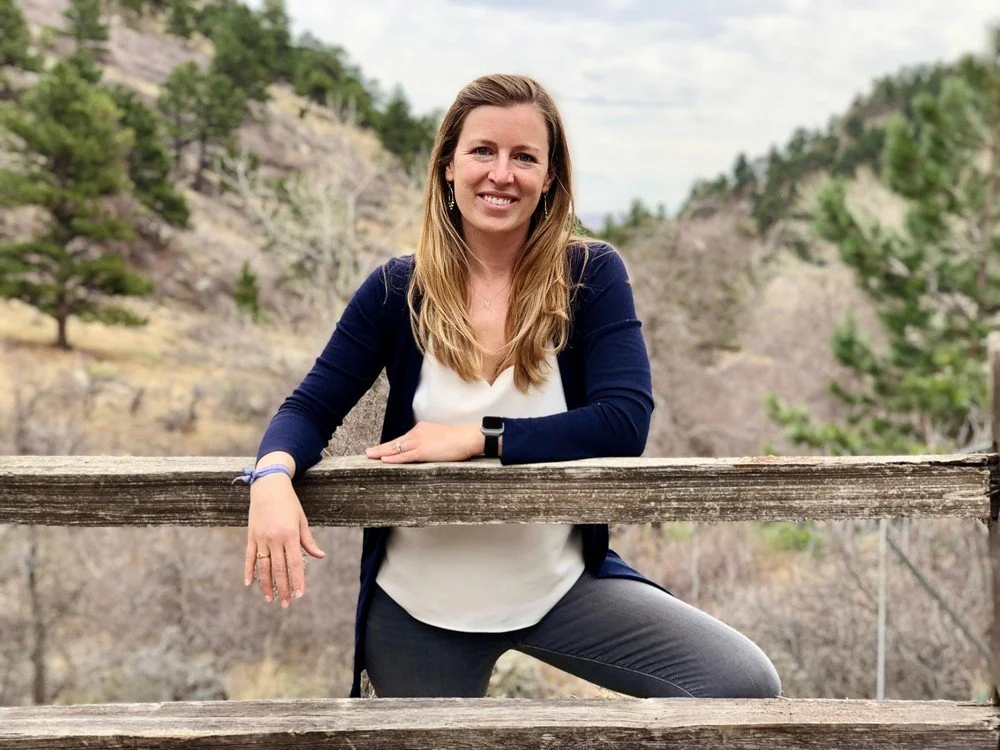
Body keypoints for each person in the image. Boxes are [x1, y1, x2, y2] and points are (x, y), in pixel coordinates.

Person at [241, 73, 781, 700]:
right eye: (483, 152)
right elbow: (310, 406)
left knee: (740, 683)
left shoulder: (591, 276)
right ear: (448, 166)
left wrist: (479, 438)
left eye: (525, 156)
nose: (502, 173)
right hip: (419, 609)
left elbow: (625, 420)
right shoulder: (396, 291)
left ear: (550, 177)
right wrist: (273, 476)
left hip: (559, 587)